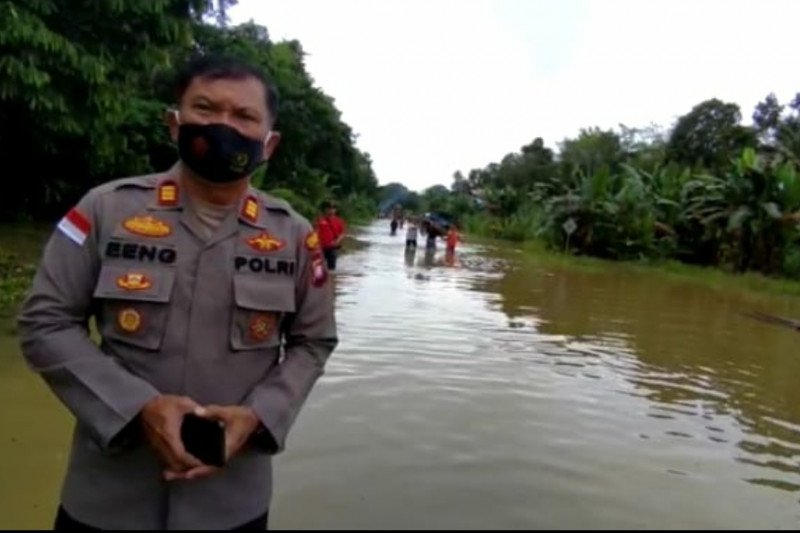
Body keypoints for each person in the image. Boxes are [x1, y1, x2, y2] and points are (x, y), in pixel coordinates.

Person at [16, 54, 338, 530]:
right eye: (205, 108)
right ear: (174, 123)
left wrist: (259, 416)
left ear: (269, 144)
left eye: (244, 116)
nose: (223, 125)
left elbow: (314, 341)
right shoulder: (105, 209)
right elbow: (44, 322)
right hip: (106, 498)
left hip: (232, 502)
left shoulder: (293, 235)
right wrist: (136, 407)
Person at [315, 200, 346, 270]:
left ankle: (331, 279)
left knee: (332, 268)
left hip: (332, 248)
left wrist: (337, 241)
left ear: (335, 210)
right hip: (321, 247)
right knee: (318, 268)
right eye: (329, 208)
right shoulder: (320, 220)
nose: (331, 210)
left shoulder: (339, 221)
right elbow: (315, 232)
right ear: (326, 209)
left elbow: (342, 233)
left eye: (333, 208)